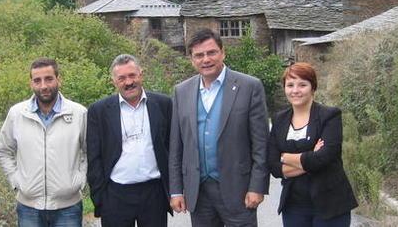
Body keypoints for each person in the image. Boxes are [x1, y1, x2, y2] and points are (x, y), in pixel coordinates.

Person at [169, 28, 269, 227]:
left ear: (223, 52)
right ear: (192, 59)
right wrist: (176, 190)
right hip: (198, 192)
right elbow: (176, 146)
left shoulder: (249, 86)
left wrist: (257, 186)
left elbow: (261, 143)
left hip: (238, 191)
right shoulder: (182, 91)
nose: (206, 59)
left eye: (211, 52)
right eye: (199, 55)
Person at [0, 58, 87, 227]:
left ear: (59, 79)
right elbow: (3, 150)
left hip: (68, 207)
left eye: (49, 79)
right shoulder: (17, 114)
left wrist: (79, 180)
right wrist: (17, 182)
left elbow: (90, 152)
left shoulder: (78, 113)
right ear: (31, 83)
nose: (43, 86)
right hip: (29, 207)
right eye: (37, 80)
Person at [267, 62, 358, 226]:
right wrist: (310, 156)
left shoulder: (329, 116)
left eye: (302, 85)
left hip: (330, 204)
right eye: (290, 85)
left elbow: (325, 158)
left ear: (313, 87)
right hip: (294, 206)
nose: (295, 90)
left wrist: (285, 157)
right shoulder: (279, 120)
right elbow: (274, 167)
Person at [87, 54, 173, 227]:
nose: (128, 82)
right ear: (114, 81)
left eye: (132, 75)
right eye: (122, 78)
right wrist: (100, 196)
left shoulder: (164, 104)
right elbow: (93, 157)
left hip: (154, 193)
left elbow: (172, 147)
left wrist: (174, 189)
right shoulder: (99, 111)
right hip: (115, 194)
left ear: (141, 74)